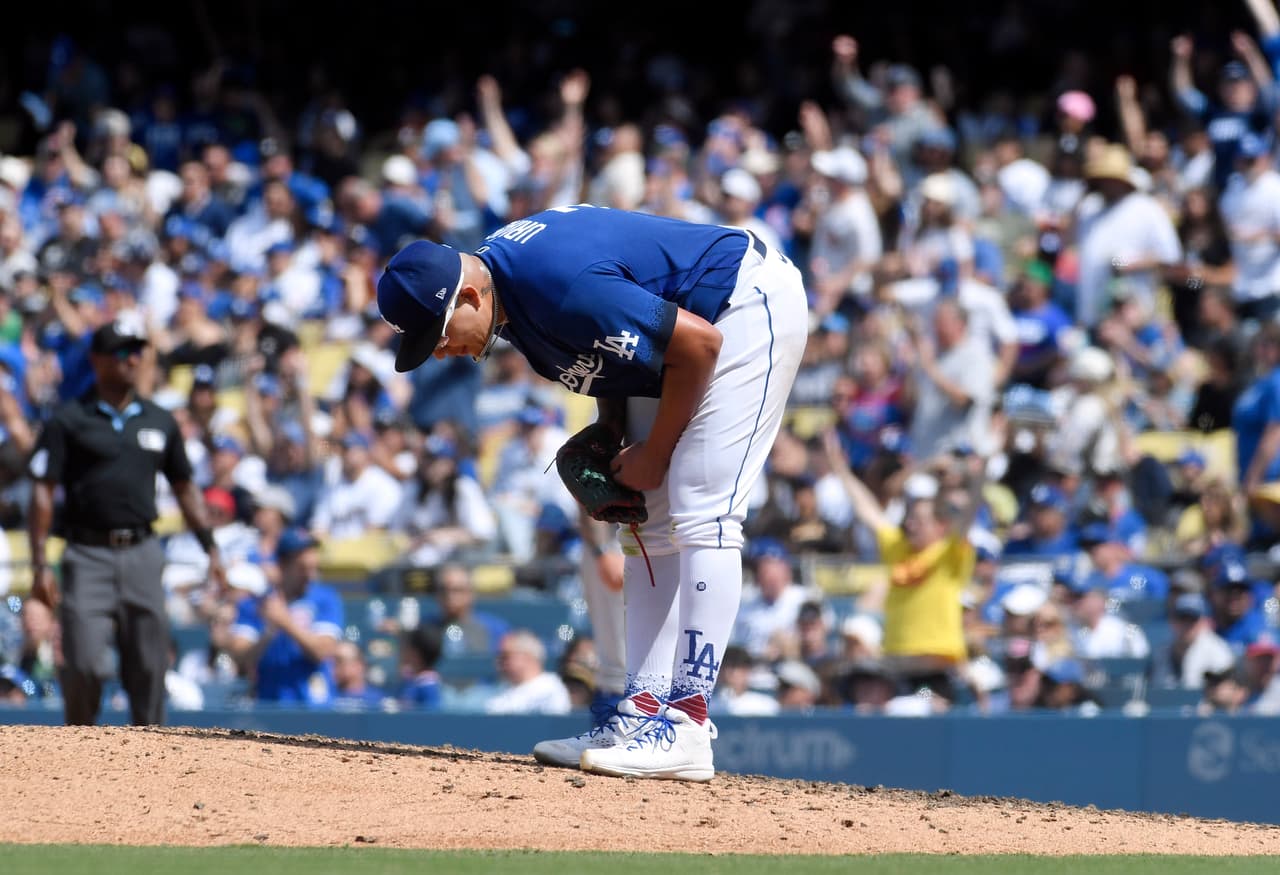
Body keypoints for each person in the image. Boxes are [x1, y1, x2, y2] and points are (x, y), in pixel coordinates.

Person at [377, 204, 807, 782]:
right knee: (646, 519)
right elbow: (610, 354)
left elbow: (699, 344)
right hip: (688, 329)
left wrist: (656, 451)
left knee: (703, 508)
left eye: (437, 334)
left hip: (744, 303)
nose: (438, 351)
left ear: (469, 297)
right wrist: (611, 428)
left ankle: (687, 723)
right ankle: (642, 712)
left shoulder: (555, 284)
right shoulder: (508, 297)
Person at [27, 312, 226, 726]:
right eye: (122, 352)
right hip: (87, 554)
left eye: (137, 351)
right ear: (97, 360)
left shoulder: (160, 420)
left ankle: (150, 757)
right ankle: (79, 745)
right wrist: (40, 564)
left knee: (150, 668)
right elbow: (42, 491)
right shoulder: (69, 419)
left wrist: (210, 547)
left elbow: (184, 487)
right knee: (83, 664)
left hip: (142, 552)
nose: (133, 360)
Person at [227, 528, 343, 706]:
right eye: (302, 568)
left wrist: (285, 622)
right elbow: (240, 656)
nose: (310, 575)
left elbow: (322, 651)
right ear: (282, 564)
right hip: (268, 704)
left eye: (314, 568)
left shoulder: (325, 599)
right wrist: (268, 632)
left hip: (315, 705)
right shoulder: (256, 603)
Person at [483, 629, 572, 715]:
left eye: (505, 656)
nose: (499, 662)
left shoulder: (550, 688)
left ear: (528, 656)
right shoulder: (499, 691)